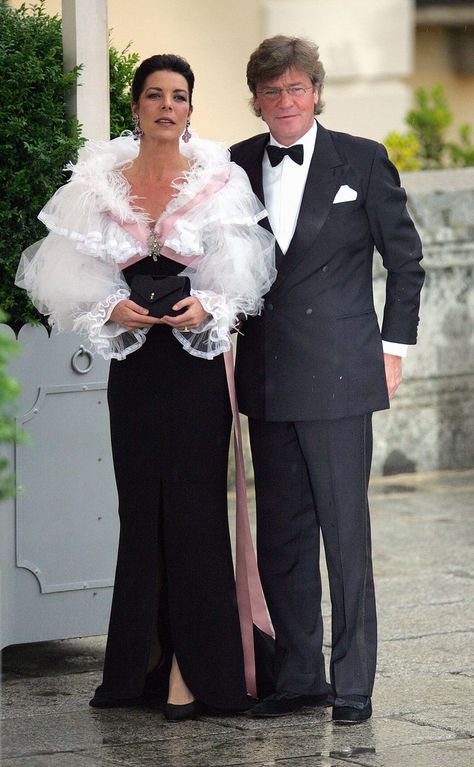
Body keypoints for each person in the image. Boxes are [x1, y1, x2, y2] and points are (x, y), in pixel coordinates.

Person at [16, 54, 276, 721]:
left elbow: (243, 275)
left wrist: (207, 307)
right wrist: (111, 307)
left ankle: (195, 670)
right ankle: (141, 664)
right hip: (134, 370)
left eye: (179, 96)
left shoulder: (218, 181)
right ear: (135, 107)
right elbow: (62, 274)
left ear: (191, 109)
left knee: (192, 515)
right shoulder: (100, 182)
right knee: (141, 515)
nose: (167, 106)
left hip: (195, 369)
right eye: (155, 95)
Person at [230, 36, 424, 722]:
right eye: (271, 91)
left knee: (345, 534)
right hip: (268, 378)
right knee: (282, 534)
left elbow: (406, 263)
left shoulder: (363, 160)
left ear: (316, 92)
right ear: (256, 100)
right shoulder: (234, 166)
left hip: (341, 375)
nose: (285, 102)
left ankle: (352, 682)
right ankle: (298, 676)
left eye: (296, 89)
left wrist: (392, 350)